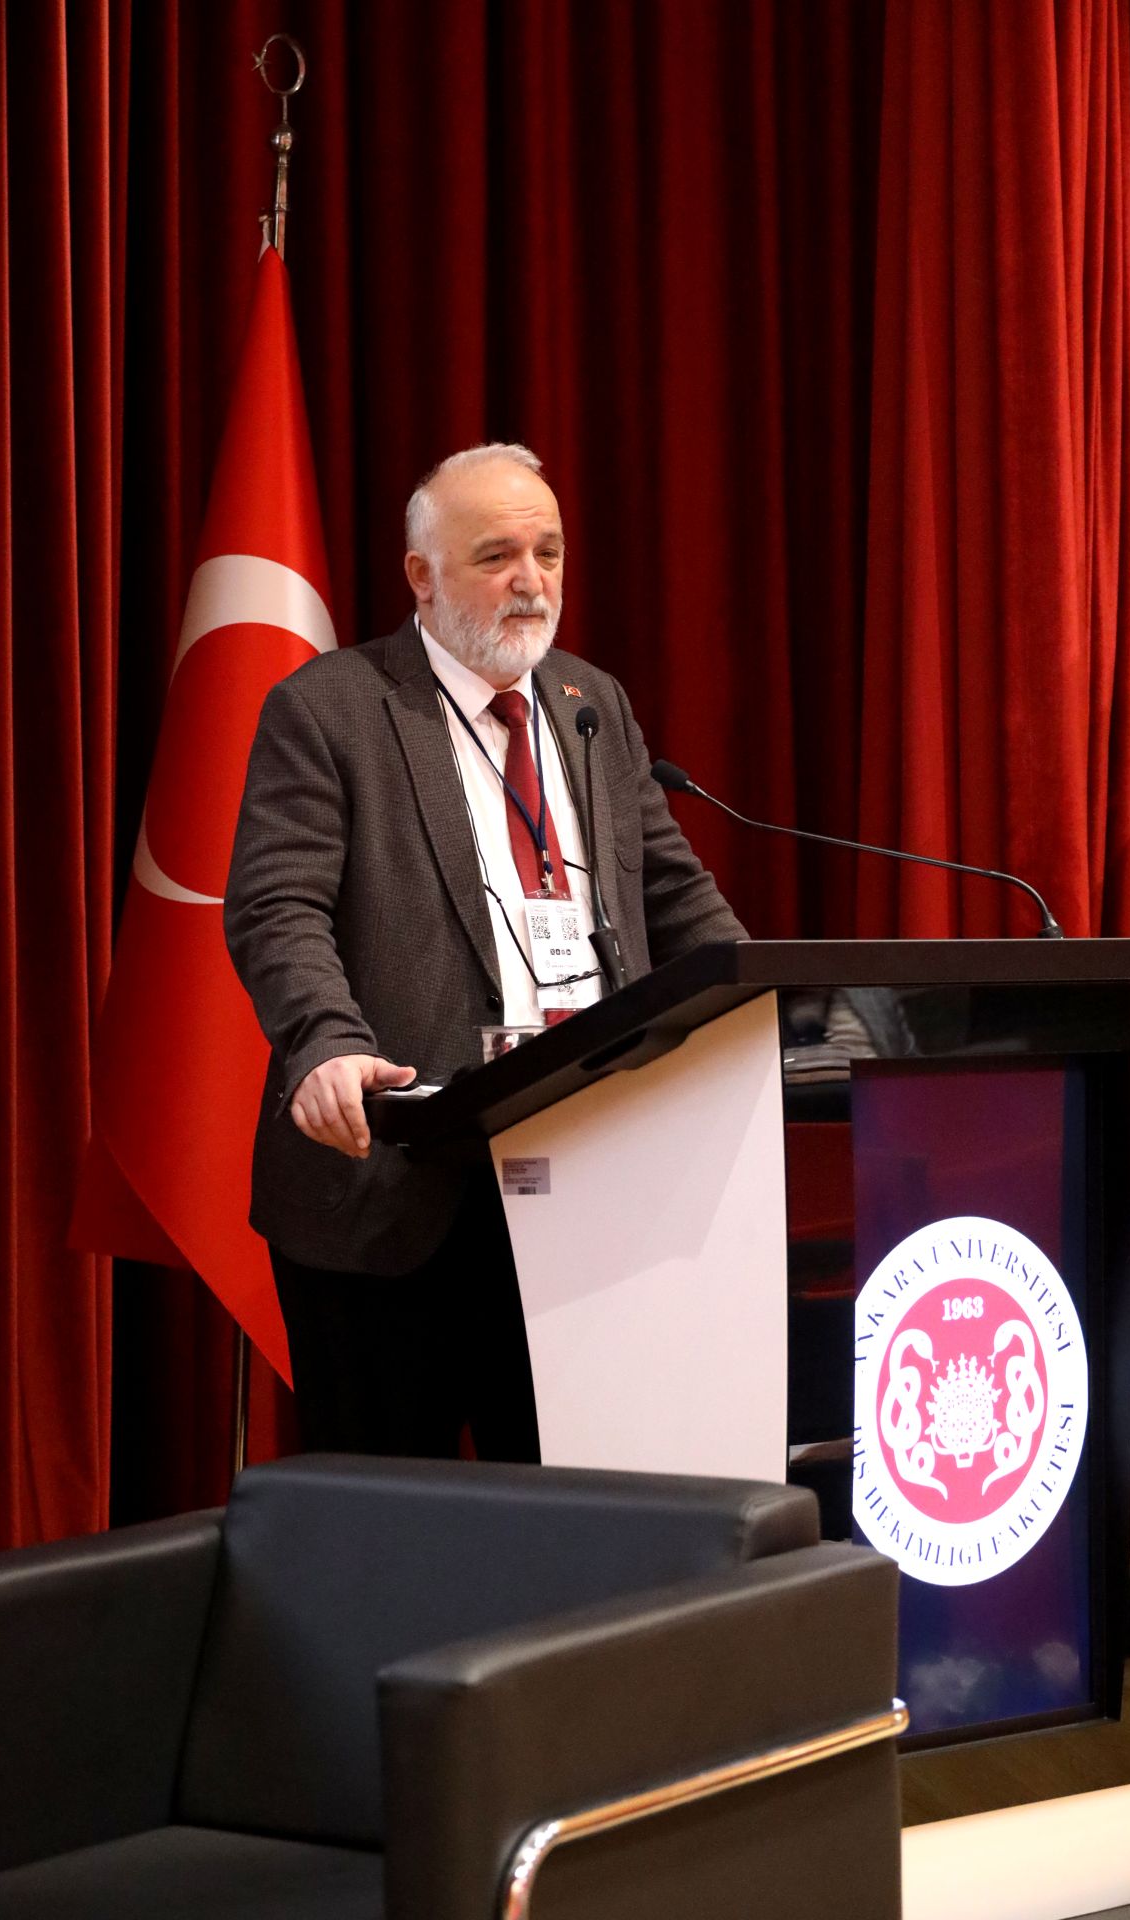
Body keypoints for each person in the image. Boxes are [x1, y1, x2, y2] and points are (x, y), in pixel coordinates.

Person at [225, 443, 746, 1461]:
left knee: (571, 1515)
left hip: (586, 1176)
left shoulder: (590, 705)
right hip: (397, 1184)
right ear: (421, 576)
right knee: (390, 1529)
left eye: (548, 552)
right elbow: (277, 906)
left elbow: (676, 896)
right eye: (496, 556)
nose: (531, 581)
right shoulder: (329, 710)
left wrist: (762, 1006)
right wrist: (326, 1040)